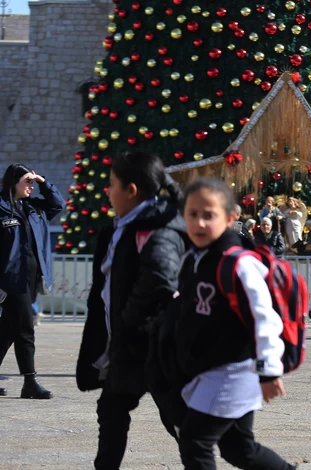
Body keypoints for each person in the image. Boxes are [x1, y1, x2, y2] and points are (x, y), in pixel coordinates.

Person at [173, 177, 294, 470]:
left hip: (235, 369)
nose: (199, 223)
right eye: (192, 214)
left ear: (229, 218)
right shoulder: (196, 257)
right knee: (238, 448)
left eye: (209, 215)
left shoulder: (239, 262)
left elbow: (263, 317)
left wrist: (269, 370)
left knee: (195, 440)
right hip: (211, 366)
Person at [74, 152, 184, 468]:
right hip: (131, 349)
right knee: (111, 409)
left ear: (131, 190)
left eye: (112, 184)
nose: (108, 191)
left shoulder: (156, 227)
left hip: (155, 349)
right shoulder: (128, 225)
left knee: (182, 425)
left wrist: (128, 320)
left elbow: (161, 281)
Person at [0, 164, 64, 399]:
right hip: (10, 281)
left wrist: (43, 182)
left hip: (31, 279)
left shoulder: (34, 208)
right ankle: (30, 381)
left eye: (32, 182)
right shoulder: (1, 209)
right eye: (26, 181)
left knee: (7, 329)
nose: (30, 185)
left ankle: (28, 380)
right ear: (12, 182)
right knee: (25, 328)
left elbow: (58, 204)